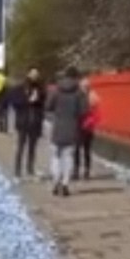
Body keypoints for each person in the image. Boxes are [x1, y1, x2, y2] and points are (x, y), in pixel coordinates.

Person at [46, 66, 88, 197]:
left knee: (56, 156)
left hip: (58, 127)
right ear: (76, 77)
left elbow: (48, 106)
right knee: (68, 157)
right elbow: (84, 111)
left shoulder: (56, 90)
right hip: (72, 127)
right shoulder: (79, 92)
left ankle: (55, 182)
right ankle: (65, 184)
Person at [11, 68, 47, 179]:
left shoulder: (40, 87)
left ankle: (30, 168)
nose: (35, 76)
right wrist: (28, 100)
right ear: (28, 74)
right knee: (21, 146)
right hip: (23, 121)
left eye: (37, 74)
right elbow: (15, 103)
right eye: (33, 73)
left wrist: (38, 99)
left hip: (35, 121)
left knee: (32, 147)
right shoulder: (20, 88)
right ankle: (17, 170)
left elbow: (43, 103)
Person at [74, 77, 101, 181]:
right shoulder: (77, 95)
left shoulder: (92, 95)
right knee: (77, 149)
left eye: (87, 85)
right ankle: (76, 170)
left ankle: (86, 170)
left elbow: (96, 110)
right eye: (84, 85)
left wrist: (92, 120)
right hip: (79, 125)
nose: (85, 87)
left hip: (88, 126)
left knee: (86, 149)